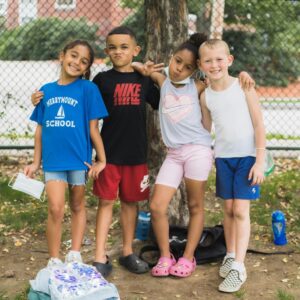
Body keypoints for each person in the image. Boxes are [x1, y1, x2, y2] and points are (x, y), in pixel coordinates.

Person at [132, 33, 254, 279]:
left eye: (188, 67)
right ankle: (166, 256)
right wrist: (142, 66)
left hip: (198, 150)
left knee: (195, 205)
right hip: (174, 154)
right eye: (177, 62)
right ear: (171, 59)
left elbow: (221, 74)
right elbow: (140, 69)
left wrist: (243, 74)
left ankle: (188, 258)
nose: (180, 69)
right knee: (156, 205)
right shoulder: (161, 80)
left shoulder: (199, 86)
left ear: (195, 69)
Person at [25, 40, 108, 267]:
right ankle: (53, 258)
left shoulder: (88, 89)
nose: (76, 62)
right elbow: (40, 130)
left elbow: (93, 128)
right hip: (53, 161)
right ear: (62, 56)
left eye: (84, 61)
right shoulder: (45, 91)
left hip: (79, 160)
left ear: (87, 67)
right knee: (55, 207)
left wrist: (101, 158)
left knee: (78, 204)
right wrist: (35, 162)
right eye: (73, 55)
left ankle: (74, 252)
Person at [91, 26, 161, 277]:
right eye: (113, 47)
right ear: (107, 50)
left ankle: (127, 252)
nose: (118, 51)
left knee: (131, 202)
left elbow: (164, 100)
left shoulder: (143, 79)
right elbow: (90, 119)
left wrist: (152, 75)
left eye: (124, 47)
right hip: (108, 154)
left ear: (135, 50)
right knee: (106, 201)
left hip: (136, 154)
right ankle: (99, 255)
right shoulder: (101, 80)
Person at [198, 39, 265, 292]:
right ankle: (231, 252)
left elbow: (259, 125)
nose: (214, 65)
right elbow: (206, 130)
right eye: (208, 60)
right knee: (227, 209)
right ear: (200, 64)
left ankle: (239, 265)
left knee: (240, 211)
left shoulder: (244, 86)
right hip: (223, 158)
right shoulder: (205, 96)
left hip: (247, 157)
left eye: (219, 59)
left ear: (229, 60)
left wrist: (259, 161)